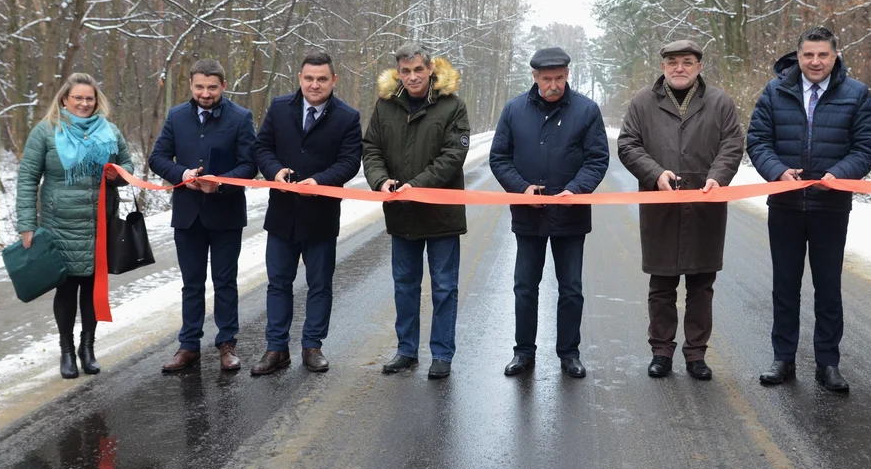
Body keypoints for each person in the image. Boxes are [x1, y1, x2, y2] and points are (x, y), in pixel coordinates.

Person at [746, 26, 871, 393]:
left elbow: (867, 147)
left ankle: (828, 363)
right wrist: (777, 171)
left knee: (828, 287)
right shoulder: (775, 91)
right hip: (785, 205)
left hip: (831, 206)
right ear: (798, 56)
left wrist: (840, 173)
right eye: (809, 55)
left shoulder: (856, 94)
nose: (815, 61)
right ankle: (783, 359)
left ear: (835, 56)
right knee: (785, 285)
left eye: (823, 55)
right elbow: (757, 140)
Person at [618, 39, 744, 381]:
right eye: (672, 62)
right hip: (660, 207)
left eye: (687, 62)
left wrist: (718, 177)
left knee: (702, 285)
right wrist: (655, 173)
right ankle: (661, 351)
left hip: (705, 205)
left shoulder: (719, 102)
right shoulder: (643, 102)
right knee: (662, 285)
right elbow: (628, 144)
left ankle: (696, 354)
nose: (679, 68)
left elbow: (733, 144)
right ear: (662, 66)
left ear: (699, 66)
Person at [489, 46, 609, 379]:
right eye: (546, 79)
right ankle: (523, 352)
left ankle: (569, 353)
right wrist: (521, 188)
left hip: (571, 216)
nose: (553, 85)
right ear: (534, 77)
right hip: (528, 216)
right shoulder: (514, 110)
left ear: (567, 75)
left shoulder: (586, 111)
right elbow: (499, 158)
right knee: (525, 286)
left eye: (558, 78)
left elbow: (597, 159)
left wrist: (577, 189)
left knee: (571, 288)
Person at [362, 42, 471, 380]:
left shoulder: (453, 106)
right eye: (405, 71)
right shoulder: (385, 107)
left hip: (441, 215)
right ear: (399, 72)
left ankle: (442, 354)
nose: (412, 77)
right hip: (401, 214)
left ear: (430, 70)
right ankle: (406, 350)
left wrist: (418, 185)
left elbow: (453, 156)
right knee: (405, 285)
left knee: (444, 287)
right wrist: (380, 181)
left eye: (418, 70)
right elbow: (371, 148)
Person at [250, 52, 362, 375]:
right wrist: (274, 171)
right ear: (300, 78)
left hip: (322, 215)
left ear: (333, 81)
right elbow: (262, 148)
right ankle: (276, 348)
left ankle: (312, 346)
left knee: (320, 284)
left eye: (322, 79)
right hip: (282, 214)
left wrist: (320, 180)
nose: (315, 84)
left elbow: (350, 161)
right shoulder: (279, 107)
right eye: (309, 78)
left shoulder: (347, 117)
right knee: (278, 284)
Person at [16, 73, 135, 379]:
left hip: (99, 224)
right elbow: (28, 178)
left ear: (97, 101)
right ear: (64, 99)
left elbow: (128, 166)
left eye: (89, 98)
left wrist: (118, 175)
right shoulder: (46, 132)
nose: (84, 103)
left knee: (92, 289)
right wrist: (27, 224)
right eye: (78, 98)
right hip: (60, 225)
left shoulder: (109, 132)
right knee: (67, 289)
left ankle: (88, 348)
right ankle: (67, 351)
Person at [149, 59, 257, 373]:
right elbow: (157, 157)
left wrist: (220, 183)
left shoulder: (240, 118)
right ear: (191, 86)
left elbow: (249, 165)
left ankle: (227, 344)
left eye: (212, 87)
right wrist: (181, 173)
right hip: (187, 215)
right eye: (199, 87)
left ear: (223, 86)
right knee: (191, 284)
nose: (205, 93)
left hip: (226, 214)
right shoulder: (176, 116)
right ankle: (188, 346)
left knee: (225, 282)